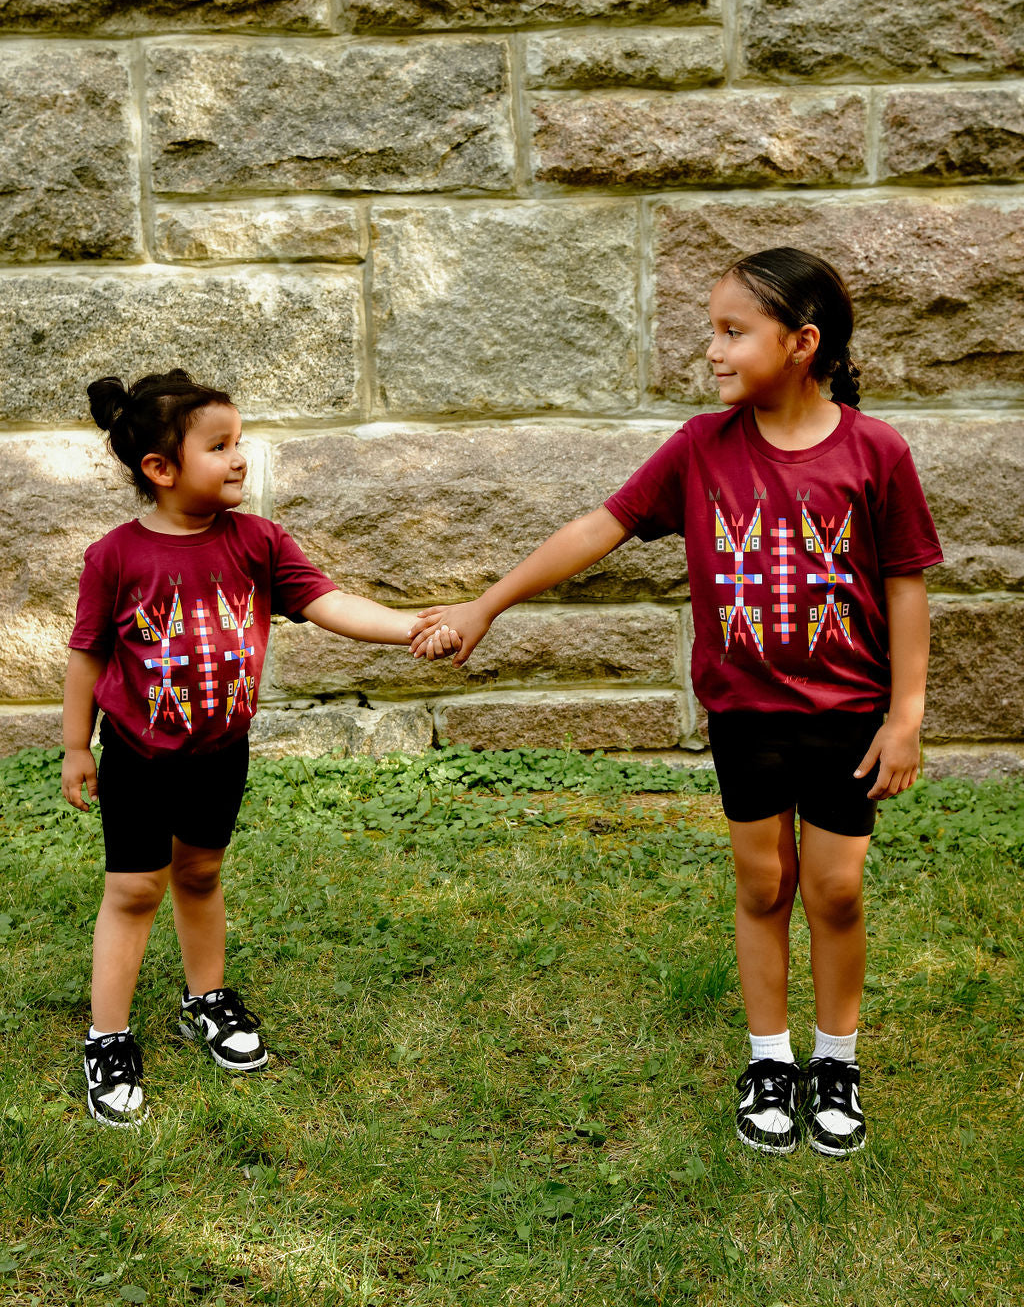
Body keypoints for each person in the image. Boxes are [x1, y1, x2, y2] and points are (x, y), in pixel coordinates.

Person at [411, 247, 942, 1158]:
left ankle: (838, 1061)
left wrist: (907, 716)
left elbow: (906, 584)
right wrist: (486, 603)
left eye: (734, 332)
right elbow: (597, 528)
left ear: (803, 343)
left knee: (838, 889)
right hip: (744, 712)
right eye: (714, 330)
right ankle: (771, 1060)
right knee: (765, 881)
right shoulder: (701, 448)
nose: (713, 351)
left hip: (848, 713)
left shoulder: (875, 451)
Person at [63, 369, 459, 1127]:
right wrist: (75, 747)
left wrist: (409, 625)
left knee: (202, 873)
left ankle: (206, 996)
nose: (240, 458)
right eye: (220, 446)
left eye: (240, 442)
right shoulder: (115, 556)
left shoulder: (258, 542)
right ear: (160, 468)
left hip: (222, 748)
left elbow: (328, 601)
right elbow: (85, 655)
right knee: (135, 890)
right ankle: (107, 1037)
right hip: (139, 755)